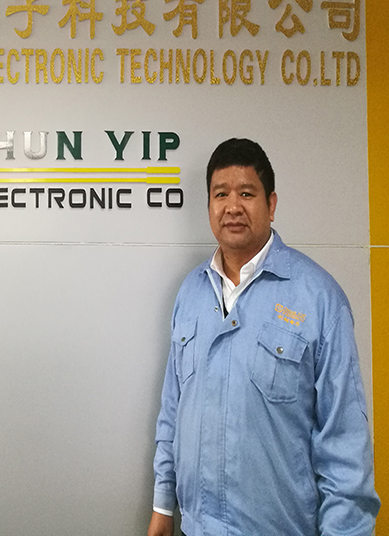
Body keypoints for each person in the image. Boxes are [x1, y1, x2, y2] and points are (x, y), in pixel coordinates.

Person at [148, 138, 380, 536]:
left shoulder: (319, 298)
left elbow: (345, 446)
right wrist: (162, 505)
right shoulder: (190, 294)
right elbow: (173, 409)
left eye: (246, 193)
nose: (232, 206)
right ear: (209, 206)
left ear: (271, 205)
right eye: (221, 194)